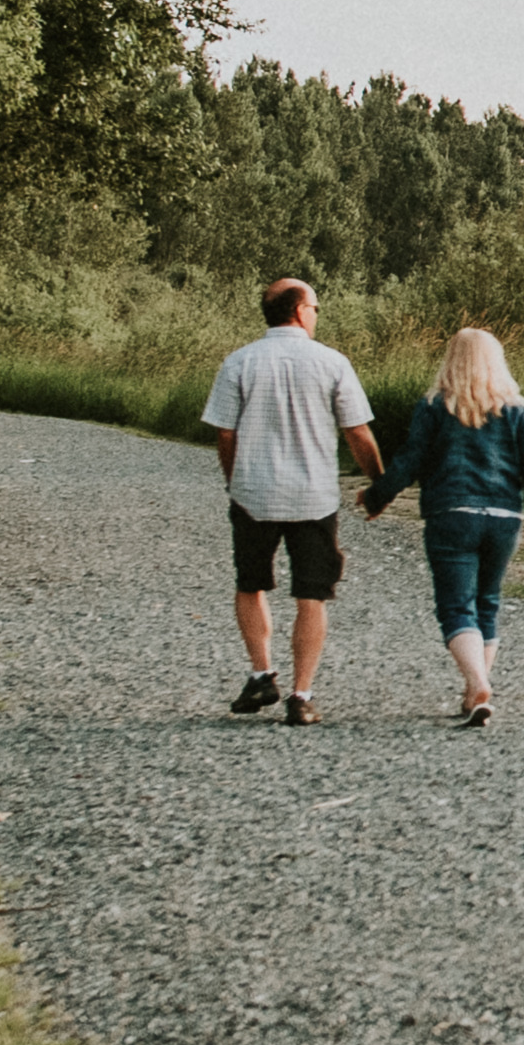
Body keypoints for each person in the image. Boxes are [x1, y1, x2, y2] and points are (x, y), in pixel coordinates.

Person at [362, 324, 524, 728]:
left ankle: (478, 682)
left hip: (451, 514)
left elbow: (410, 460)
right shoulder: (515, 410)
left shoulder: (435, 406)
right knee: (486, 602)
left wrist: (377, 496)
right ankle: (475, 694)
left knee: (456, 606)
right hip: (505, 517)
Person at [201, 277, 381, 723]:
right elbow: (357, 431)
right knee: (311, 595)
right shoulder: (332, 363)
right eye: (316, 308)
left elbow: (225, 432)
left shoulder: (238, 362)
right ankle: (302, 696)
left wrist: (234, 478)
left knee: (251, 583)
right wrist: (379, 483)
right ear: (300, 311)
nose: (317, 314)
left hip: (253, 492)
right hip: (313, 497)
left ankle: (262, 673)